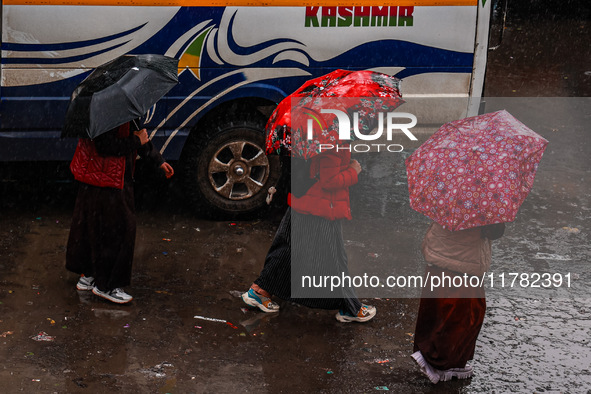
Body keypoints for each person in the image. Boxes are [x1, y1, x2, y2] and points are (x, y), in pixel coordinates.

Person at [241, 147, 376, 323]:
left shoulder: (312, 134)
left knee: (287, 250)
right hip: (321, 208)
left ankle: (260, 290)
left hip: (303, 200)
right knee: (334, 259)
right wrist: (353, 171)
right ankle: (350, 308)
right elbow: (329, 181)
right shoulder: (331, 142)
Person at [66, 121, 174, 304]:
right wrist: (135, 141)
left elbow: (138, 135)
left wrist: (158, 160)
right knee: (118, 230)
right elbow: (105, 145)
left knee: (93, 227)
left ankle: (90, 274)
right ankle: (106, 286)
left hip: (95, 176)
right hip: (109, 178)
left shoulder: (108, 105)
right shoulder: (109, 108)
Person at [411, 221, 505, 383]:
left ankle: (439, 356)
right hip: (463, 264)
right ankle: (440, 364)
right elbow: (494, 231)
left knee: (437, 311)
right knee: (463, 316)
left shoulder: (448, 199)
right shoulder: (483, 207)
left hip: (439, 255)